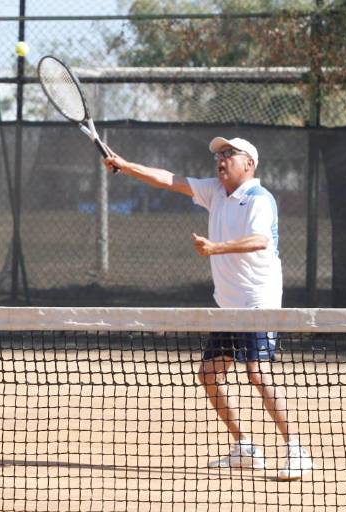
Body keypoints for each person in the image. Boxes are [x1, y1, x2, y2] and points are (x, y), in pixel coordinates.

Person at [103, 136, 312, 481]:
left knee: (257, 374)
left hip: (258, 301)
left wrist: (215, 248)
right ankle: (245, 447)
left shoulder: (259, 199)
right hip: (228, 304)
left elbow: (260, 241)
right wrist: (125, 166)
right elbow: (171, 180)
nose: (221, 158)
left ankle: (296, 450)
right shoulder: (215, 191)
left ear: (249, 164)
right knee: (209, 376)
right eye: (219, 153)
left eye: (230, 153)